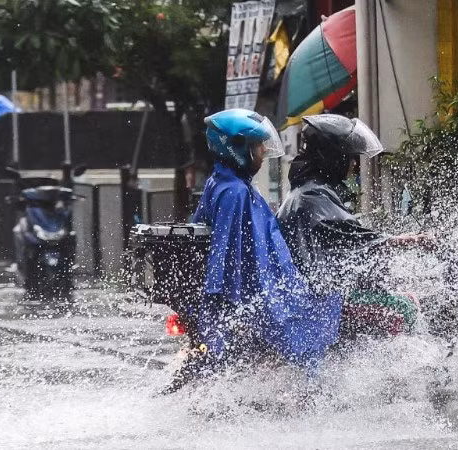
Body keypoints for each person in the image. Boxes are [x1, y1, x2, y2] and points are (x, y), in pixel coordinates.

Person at [164, 109, 341, 393]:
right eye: (257, 145)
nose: (263, 151)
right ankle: (313, 396)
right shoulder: (234, 192)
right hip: (262, 293)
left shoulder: (226, 184)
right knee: (320, 315)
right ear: (237, 149)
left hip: (266, 287)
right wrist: (232, 303)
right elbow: (226, 254)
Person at [276, 114, 431, 335]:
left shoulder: (311, 189)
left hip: (319, 296)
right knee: (400, 311)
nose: (355, 164)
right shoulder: (312, 195)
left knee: (405, 298)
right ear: (334, 158)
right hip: (318, 304)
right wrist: (409, 241)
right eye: (350, 157)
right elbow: (354, 238)